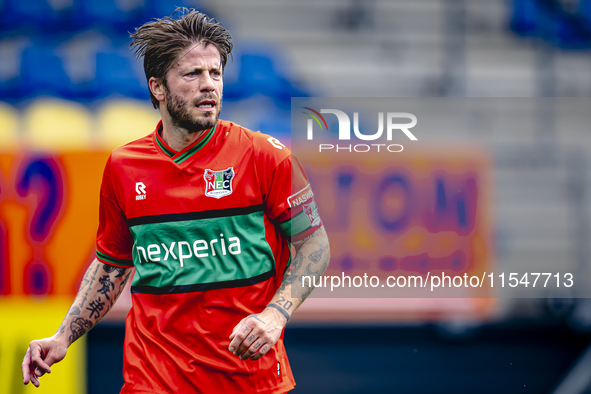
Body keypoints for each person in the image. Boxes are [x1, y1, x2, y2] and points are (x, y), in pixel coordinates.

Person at [21, 8, 330, 394]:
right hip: (153, 379)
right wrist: (62, 337)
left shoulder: (266, 157)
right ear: (158, 88)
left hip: (249, 380)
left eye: (215, 73)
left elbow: (314, 243)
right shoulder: (123, 166)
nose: (209, 85)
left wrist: (275, 315)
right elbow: (112, 265)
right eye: (192, 74)